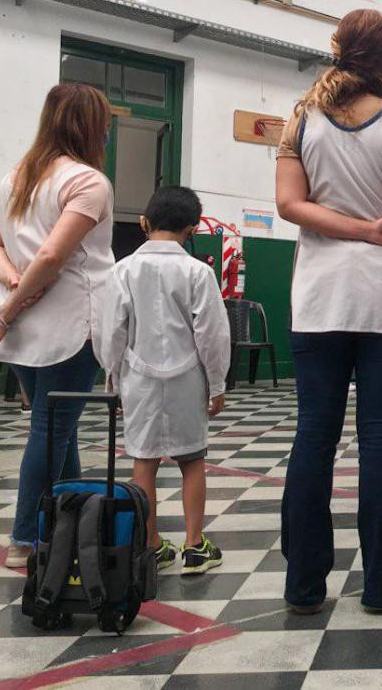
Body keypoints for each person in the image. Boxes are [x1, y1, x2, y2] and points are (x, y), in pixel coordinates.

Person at [275, 8, 382, 615]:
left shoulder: (300, 118)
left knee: (313, 436)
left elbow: (289, 205)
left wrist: (356, 230)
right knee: (380, 438)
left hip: (315, 300)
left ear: (337, 48)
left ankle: (304, 587)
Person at [0, 83, 115, 568]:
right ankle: (25, 538)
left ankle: (67, 523)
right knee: (51, 430)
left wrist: (12, 286)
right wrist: (13, 303)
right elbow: (54, 254)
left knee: (59, 429)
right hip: (66, 323)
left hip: (22, 326)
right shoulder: (88, 181)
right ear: (92, 126)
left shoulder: (18, 177)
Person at [98, 186, 231, 574]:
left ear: (144, 223)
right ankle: (194, 546)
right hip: (188, 377)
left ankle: (151, 544)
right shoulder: (199, 272)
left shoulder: (122, 270)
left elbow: (112, 333)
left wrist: (114, 380)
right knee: (193, 460)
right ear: (191, 229)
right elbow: (212, 334)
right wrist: (218, 383)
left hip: (138, 376)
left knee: (144, 461)